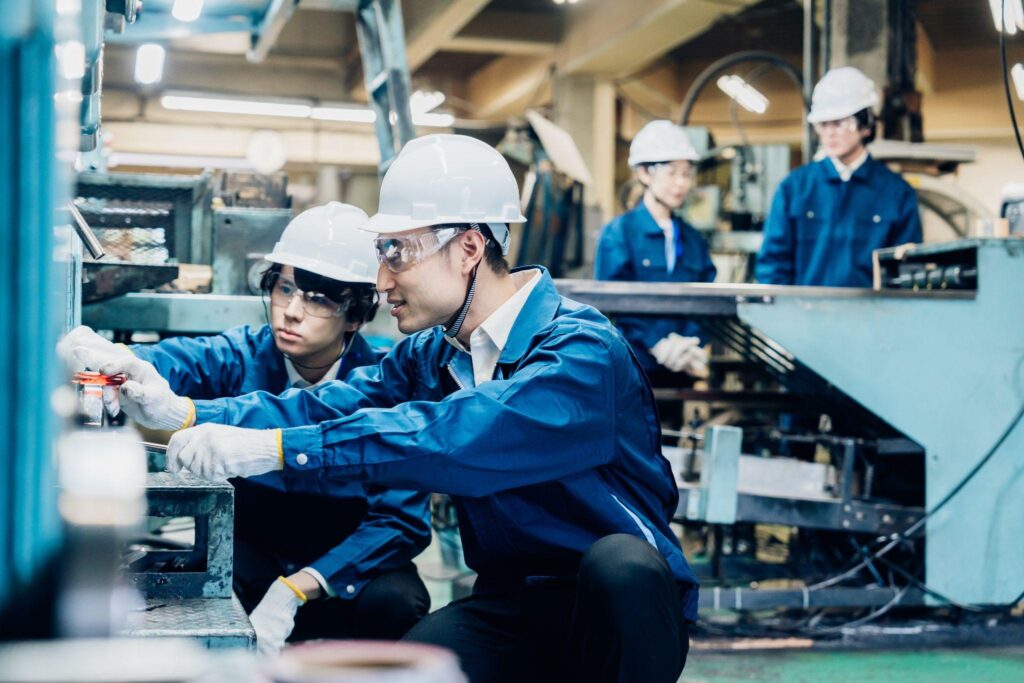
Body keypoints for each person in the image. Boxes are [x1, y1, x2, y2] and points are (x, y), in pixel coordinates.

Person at [88, 135, 698, 683]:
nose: (380, 280)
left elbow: (460, 439)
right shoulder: (434, 354)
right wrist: (187, 414)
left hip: (621, 608)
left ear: (467, 247)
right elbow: (335, 402)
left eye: (396, 253)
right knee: (412, 672)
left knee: (619, 564)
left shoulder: (579, 351)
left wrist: (274, 450)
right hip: (515, 601)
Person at [60, 202, 431, 654]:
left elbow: (400, 522)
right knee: (196, 591)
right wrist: (127, 363)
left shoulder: (384, 380)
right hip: (254, 547)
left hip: (342, 557)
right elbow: (181, 360)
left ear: (355, 314)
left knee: (398, 603)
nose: (291, 311)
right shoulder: (243, 354)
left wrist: (298, 588)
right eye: (284, 288)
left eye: (317, 297)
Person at [756, 66, 922, 287]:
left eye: (841, 123)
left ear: (865, 126)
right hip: (805, 317)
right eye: (823, 124)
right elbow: (773, 265)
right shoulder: (794, 188)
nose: (829, 133)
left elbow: (908, 269)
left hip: (872, 318)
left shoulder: (896, 193)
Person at [595, 120, 716, 380]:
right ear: (644, 173)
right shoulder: (619, 234)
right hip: (632, 370)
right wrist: (657, 342)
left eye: (686, 173)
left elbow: (708, 298)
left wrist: (691, 342)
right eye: (672, 173)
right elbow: (614, 301)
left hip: (682, 368)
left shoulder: (692, 238)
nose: (681, 183)